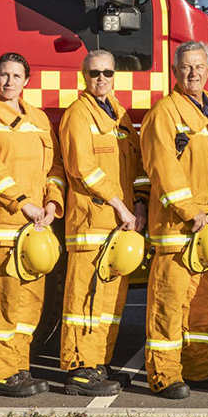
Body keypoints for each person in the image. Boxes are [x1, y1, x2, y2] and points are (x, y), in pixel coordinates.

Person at [0, 52, 65, 397]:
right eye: (4, 75)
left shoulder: (38, 118)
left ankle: (17, 367)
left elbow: (53, 168)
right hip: (1, 226)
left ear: (27, 80)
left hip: (34, 228)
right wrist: (22, 203)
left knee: (27, 305)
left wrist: (53, 201)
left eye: (16, 76)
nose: (9, 82)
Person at [141, 41, 208, 399]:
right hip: (178, 228)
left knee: (203, 306)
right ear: (175, 72)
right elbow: (162, 169)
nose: (193, 73)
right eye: (186, 67)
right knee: (169, 303)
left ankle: (199, 369)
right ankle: (164, 375)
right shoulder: (164, 114)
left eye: (199, 66)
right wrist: (189, 211)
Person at [58, 49, 150, 395]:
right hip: (91, 222)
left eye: (107, 72)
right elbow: (82, 168)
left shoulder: (120, 115)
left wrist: (139, 203)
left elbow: (138, 166)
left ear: (115, 76)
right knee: (85, 299)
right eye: (94, 73)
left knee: (109, 302)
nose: (101, 78)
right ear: (84, 77)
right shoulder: (78, 115)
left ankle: (98, 361)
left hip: (119, 224)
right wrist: (121, 205)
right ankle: (80, 368)